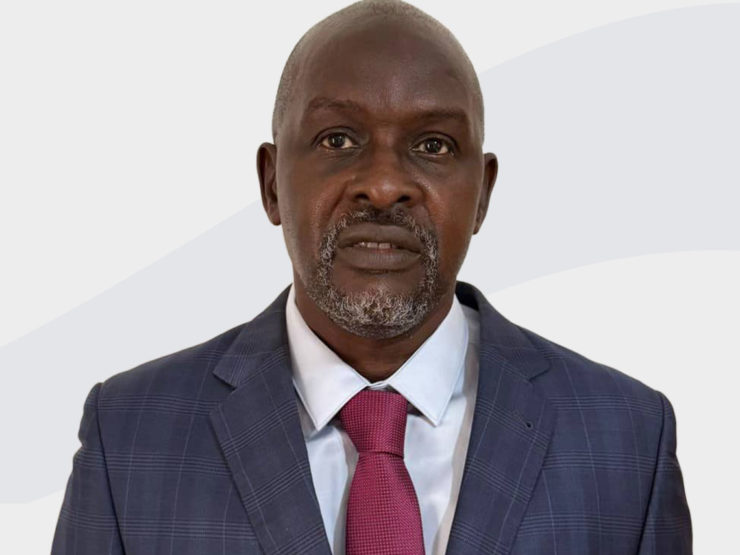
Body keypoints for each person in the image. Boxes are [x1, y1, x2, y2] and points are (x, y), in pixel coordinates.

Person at [52, 1, 692, 554]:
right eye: (337, 140)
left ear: (483, 195)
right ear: (272, 184)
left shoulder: (628, 439)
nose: (383, 186)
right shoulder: (129, 435)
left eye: (433, 145)